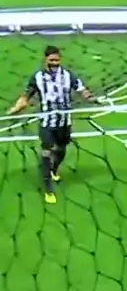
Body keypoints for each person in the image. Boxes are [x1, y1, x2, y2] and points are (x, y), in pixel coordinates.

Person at [7, 45, 97, 203]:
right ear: (45, 60)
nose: (54, 63)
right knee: (47, 153)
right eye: (51, 60)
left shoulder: (68, 75)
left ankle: (54, 170)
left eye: (56, 60)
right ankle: (48, 189)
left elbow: (82, 90)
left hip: (64, 122)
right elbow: (26, 97)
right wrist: (15, 110)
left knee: (61, 149)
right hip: (47, 123)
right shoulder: (37, 77)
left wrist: (92, 99)